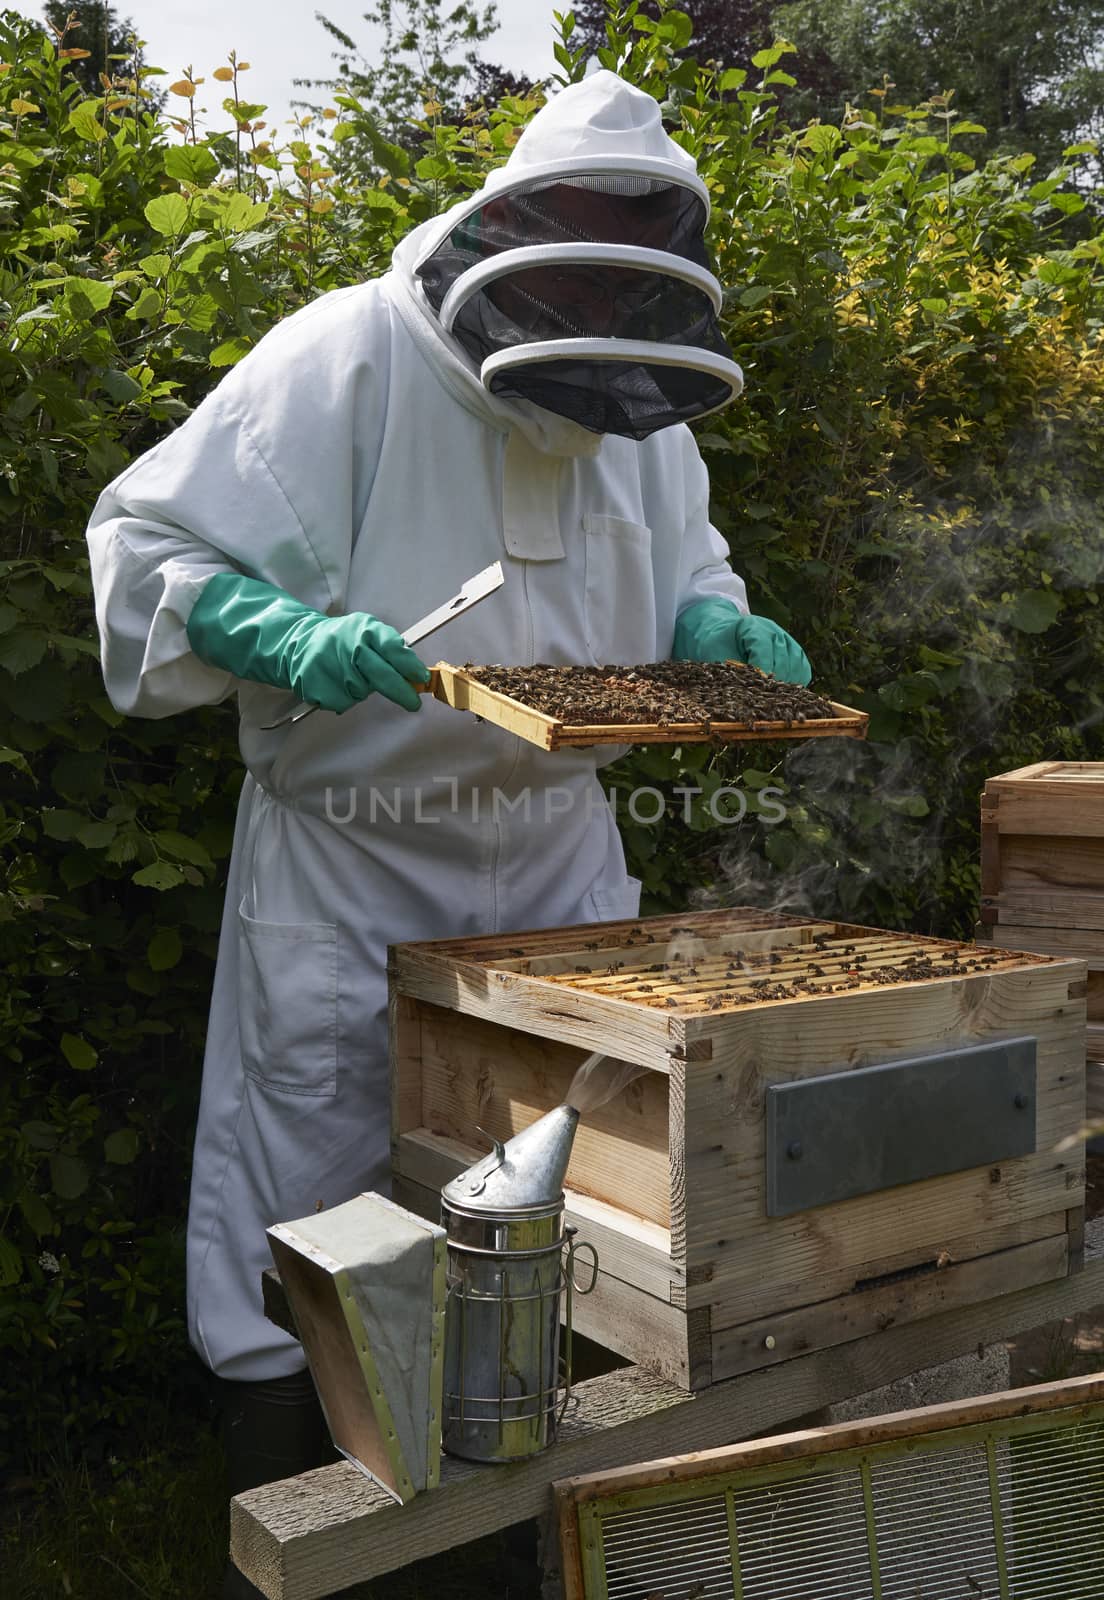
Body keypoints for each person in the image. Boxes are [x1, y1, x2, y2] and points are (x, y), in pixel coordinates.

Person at [86, 68, 810, 1589]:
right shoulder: (345, 355)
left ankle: (516, 1523)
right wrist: (265, 625)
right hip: (354, 865)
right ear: (521, 229)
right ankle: (305, 1516)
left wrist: (711, 621)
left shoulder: (638, 393)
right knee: (319, 1195)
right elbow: (142, 543)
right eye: (587, 243)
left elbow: (695, 559)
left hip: (558, 859)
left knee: (564, 1197)